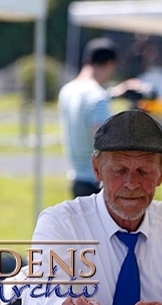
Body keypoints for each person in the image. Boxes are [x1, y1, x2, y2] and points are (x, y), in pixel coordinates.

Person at [21, 109, 162, 305]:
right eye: (119, 170)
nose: (131, 183)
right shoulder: (61, 223)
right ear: (97, 169)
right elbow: (37, 299)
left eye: (144, 172)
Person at [58, 37, 143, 198]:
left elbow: (88, 102)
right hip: (96, 184)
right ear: (110, 64)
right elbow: (105, 143)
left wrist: (117, 91)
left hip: (77, 179)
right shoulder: (97, 97)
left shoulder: (68, 91)